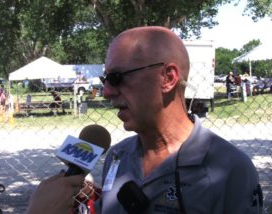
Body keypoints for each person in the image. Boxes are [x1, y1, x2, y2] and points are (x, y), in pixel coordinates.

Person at [27, 26, 262, 214]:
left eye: (117, 78)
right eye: (105, 79)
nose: (107, 91)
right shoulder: (117, 157)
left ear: (168, 78)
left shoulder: (230, 168)